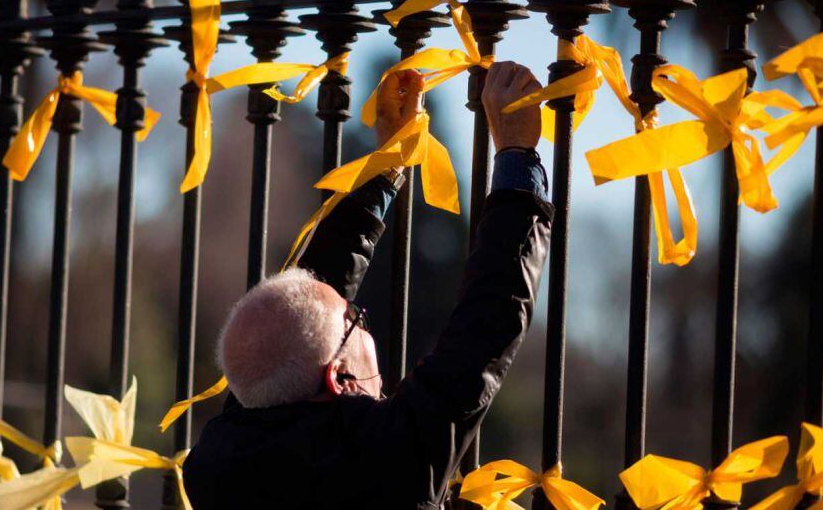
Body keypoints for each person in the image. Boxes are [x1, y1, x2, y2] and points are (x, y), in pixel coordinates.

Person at [182, 62, 552, 509]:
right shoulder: (385, 457)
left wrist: (386, 165)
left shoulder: (214, 466)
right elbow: (487, 322)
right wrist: (517, 156)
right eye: (355, 321)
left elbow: (310, 308)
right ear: (339, 377)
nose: (359, 318)